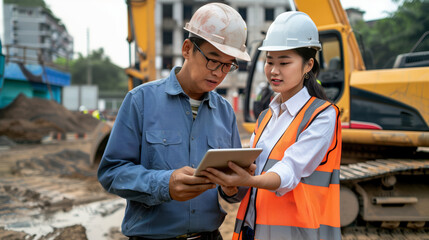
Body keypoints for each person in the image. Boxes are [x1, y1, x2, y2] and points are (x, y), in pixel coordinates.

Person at [97, 2, 250, 240]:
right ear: (187, 49)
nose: (219, 73)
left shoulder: (225, 112)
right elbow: (112, 172)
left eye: (228, 65)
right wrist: (164, 184)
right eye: (213, 59)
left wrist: (233, 187)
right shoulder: (140, 101)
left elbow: (233, 191)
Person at [201, 11, 342, 240]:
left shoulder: (323, 115)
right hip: (252, 230)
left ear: (308, 65)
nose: (274, 71)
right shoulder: (266, 116)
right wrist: (231, 186)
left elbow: (289, 170)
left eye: (284, 62)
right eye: (269, 61)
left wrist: (249, 180)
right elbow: (253, 174)